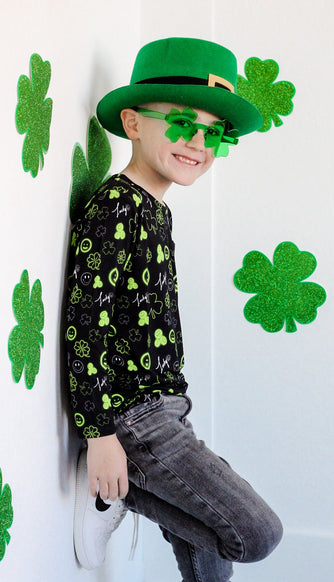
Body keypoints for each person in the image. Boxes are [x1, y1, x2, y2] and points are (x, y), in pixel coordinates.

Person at [63, 37, 283, 581]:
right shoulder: (116, 207)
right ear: (134, 123)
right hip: (135, 418)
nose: (199, 143)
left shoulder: (156, 210)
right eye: (184, 123)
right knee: (256, 534)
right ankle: (120, 492)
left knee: (212, 568)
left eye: (214, 132)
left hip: (167, 407)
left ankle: (131, 491)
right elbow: (85, 325)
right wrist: (100, 434)